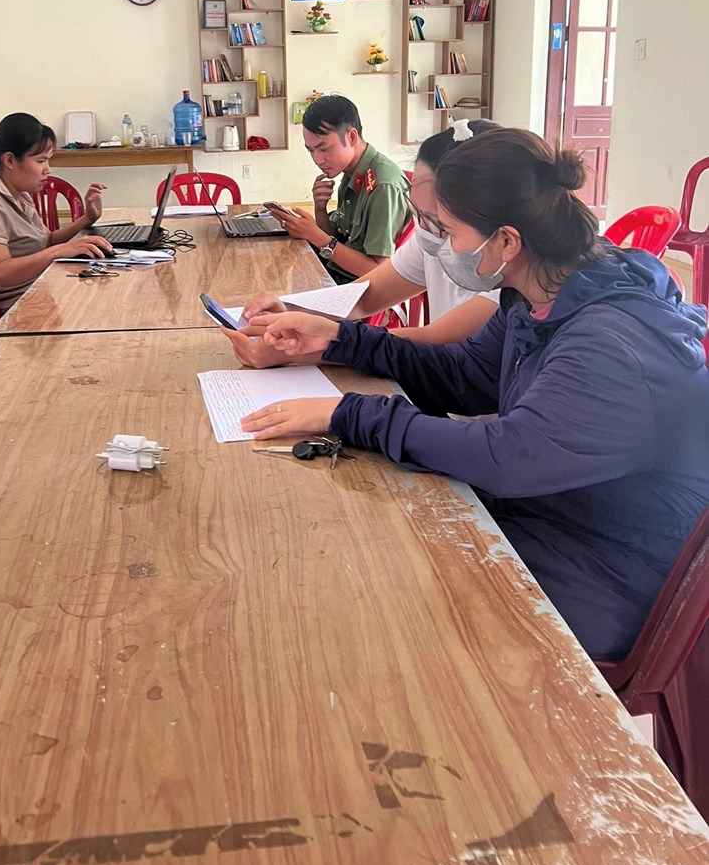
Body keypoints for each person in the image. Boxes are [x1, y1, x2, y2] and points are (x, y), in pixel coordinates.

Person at [241, 128, 709, 661]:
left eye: (451, 231)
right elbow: (461, 373)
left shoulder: (609, 341)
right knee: (377, 535)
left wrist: (350, 413)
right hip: (566, 511)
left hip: (626, 567)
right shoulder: (537, 296)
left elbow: (507, 457)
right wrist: (338, 340)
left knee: (386, 603)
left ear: (507, 241)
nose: (444, 248)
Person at [226, 119, 502, 369]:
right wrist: (287, 308)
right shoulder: (431, 236)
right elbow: (364, 294)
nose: (426, 230)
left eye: (439, 222)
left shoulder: (508, 288)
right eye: (417, 213)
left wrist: (300, 351)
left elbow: (433, 342)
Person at [0, 113, 113, 334]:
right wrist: (60, 251)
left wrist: (88, 218)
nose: (48, 169)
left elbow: (46, 241)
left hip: (36, 293)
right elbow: (0, 273)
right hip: (11, 312)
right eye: (40, 161)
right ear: (10, 160)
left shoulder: (19, 193)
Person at [266, 94, 409, 285]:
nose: (317, 160)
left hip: (360, 290)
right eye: (311, 150)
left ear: (351, 137)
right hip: (336, 275)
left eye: (324, 148)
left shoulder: (382, 186)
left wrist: (315, 235)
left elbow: (378, 270)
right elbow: (338, 238)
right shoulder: (351, 171)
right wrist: (320, 209)